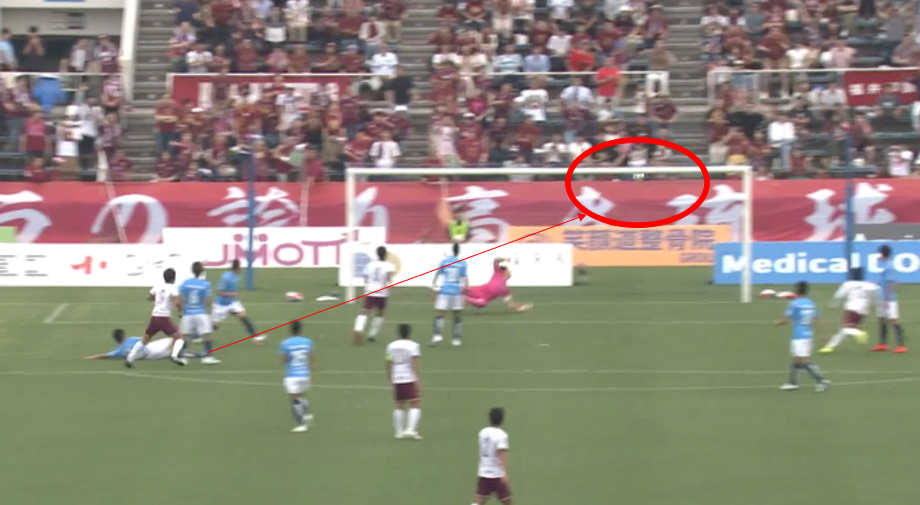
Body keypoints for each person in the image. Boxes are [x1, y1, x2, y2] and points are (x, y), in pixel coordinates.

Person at [774, 281, 830, 391]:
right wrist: (823, 335)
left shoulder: (794, 304)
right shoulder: (812, 304)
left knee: (803, 362)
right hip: (808, 334)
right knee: (797, 359)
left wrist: (778, 323)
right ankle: (793, 383)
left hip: (799, 335)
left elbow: (786, 320)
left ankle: (821, 380)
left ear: (796, 291)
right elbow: (816, 321)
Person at [125, 268, 187, 367]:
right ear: (174, 278)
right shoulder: (173, 289)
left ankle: (130, 358)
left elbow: (150, 297)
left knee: (146, 338)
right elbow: (177, 302)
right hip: (164, 318)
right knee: (179, 337)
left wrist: (158, 300)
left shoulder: (158, 286)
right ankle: (174, 355)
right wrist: (180, 312)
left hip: (154, 317)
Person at [818, 267, 874, 354]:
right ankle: (830, 347)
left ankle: (859, 333)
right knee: (843, 329)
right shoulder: (868, 285)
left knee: (846, 328)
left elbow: (838, 295)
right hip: (863, 311)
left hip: (852, 308)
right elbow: (875, 293)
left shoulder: (848, 284)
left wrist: (833, 304)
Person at [354, 246, 397, 345]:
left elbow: (365, 278)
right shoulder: (389, 266)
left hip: (370, 291)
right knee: (380, 313)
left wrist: (369, 284)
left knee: (364, 311)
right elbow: (388, 278)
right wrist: (393, 288)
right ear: (385, 254)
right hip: (382, 293)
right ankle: (372, 334)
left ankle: (358, 329)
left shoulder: (370, 265)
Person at [386, 323, 422, 440]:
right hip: (409, 377)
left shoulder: (390, 346)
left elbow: (388, 361)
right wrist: (417, 380)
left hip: (396, 376)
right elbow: (415, 364)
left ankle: (399, 432)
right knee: (415, 402)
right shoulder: (414, 346)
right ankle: (411, 429)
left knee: (399, 403)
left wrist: (390, 377)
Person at [179, 262, 220, 364]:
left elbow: (180, 296)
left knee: (185, 336)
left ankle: (182, 356)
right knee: (207, 334)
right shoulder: (205, 284)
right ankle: (208, 357)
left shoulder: (186, 283)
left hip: (188, 313)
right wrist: (210, 314)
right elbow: (207, 300)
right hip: (200, 312)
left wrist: (181, 309)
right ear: (202, 271)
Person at [212, 259, 260, 344]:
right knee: (215, 326)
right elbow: (218, 291)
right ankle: (197, 335)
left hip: (232, 302)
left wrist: (233, 296)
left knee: (243, 316)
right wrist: (231, 294)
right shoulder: (226, 277)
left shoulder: (236, 276)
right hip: (221, 304)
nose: (241, 268)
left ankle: (255, 337)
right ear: (237, 267)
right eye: (240, 266)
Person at [280, 320, 315, 433]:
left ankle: (301, 424)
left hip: (292, 375)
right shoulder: (308, 342)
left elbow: (284, 359)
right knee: (300, 395)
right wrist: (312, 372)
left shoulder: (285, 343)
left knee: (294, 399)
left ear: (290, 330)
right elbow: (311, 358)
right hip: (305, 374)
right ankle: (306, 411)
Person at [431, 243, 468, 347]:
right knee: (456, 315)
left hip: (445, 291)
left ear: (452, 250)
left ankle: (437, 336)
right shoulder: (462, 263)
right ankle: (456, 339)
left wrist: (434, 288)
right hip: (456, 292)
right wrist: (465, 294)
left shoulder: (444, 261)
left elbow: (437, 275)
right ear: (459, 251)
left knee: (440, 314)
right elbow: (465, 278)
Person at [474, 407, 511, 505]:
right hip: (496, 474)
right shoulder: (502, 435)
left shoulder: (482, 432)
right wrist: (504, 473)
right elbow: (502, 453)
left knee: (480, 499)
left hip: (483, 472)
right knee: (507, 500)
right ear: (502, 420)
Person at [874, 244, 908, 353]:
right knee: (882, 319)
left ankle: (901, 345)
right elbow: (888, 281)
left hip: (888, 299)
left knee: (894, 319)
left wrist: (887, 299)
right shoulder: (885, 265)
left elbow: (892, 283)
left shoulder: (889, 266)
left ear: (882, 254)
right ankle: (883, 343)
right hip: (882, 297)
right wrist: (878, 283)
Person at [466, 258, 532, 313]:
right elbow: (496, 260)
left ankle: (465, 299)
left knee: (482, 303)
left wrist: (520, 307)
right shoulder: (498, 271)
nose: (510, 273)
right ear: (505, 271)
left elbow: (509, 303)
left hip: (483, 299)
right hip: (479, 290)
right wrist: (505, 259)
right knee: (464, 290)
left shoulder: (506, 290)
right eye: (508, 271)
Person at [84, 329, 174, 361]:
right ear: (123, 335)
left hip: (146, 355)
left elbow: (105, 356)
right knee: (172, 341)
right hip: (149, 350)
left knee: (168, 348)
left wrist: (89, 357)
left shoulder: (119, 350)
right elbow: (146, 339)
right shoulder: (131, 339)